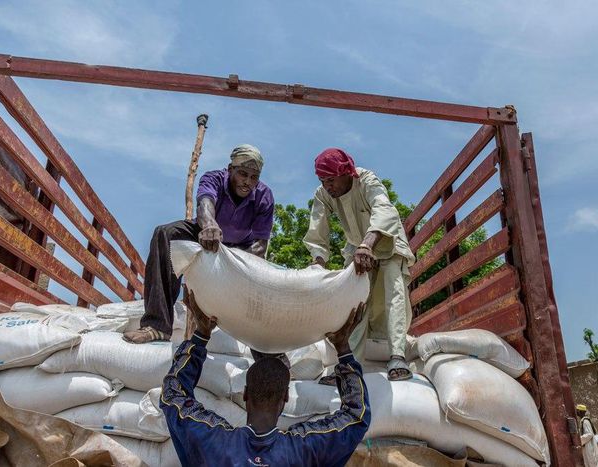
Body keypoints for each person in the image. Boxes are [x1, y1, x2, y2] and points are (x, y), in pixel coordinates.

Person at [160, 286, 371, 467]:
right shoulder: (304, 449)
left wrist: (200, 336)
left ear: (245, 394)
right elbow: (356, 415)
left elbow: (173, 394)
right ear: (286, 397)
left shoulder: (212, 440)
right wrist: (343, 348)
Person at [123, 144, 274, 349]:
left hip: (239, 249)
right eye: (242, 174)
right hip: (203, 233)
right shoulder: (213, 178)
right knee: (165, 233)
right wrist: (210, 224)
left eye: (253, 177)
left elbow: (260, 246)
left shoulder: (264, 196)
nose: (247, 182)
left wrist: (231, 262)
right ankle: (157, 325)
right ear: (230, 170)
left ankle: (262, 344)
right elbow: (205, 203)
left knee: (265, 275)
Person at [303, 148, 416, 382]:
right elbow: (317, 231)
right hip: (357, 248)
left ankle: (397, 357)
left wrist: (368, 244)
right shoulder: (323, 194)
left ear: (347, 174)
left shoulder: (366, 180)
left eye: (331, 180)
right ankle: (348, 366)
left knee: (393, 294)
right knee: (354, 303)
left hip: (386, 243)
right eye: (323, 181)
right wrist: (318, 263)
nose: (327, 186)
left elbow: (384, 210)